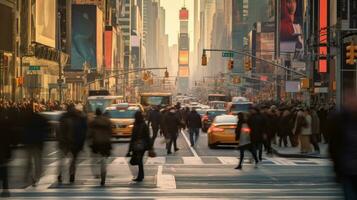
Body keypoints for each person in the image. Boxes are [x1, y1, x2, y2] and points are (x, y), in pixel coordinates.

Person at [57, 104, 87, 183]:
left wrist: (60, 140)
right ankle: (72, 175)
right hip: (74, 142)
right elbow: (81, 131)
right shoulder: (78, 117)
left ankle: (60, 174)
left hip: (64, 142)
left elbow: (59, 130)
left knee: (62, 159)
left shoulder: (63, 118)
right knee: (73, 160)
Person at [23, 103, 49, 186]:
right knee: (37, 160)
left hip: (29, 142)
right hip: (38, 142)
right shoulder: (40, 118)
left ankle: (30, 176)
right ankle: (37, 177)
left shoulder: (26, 119)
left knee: (29, 160)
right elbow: (47, 127)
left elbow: (23, 130)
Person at [88, 108, 112, 186]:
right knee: (104, 160)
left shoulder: (93, 122)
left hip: (96, 142)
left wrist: (89, 141)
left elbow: (90, 133)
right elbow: (110, 132)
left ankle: (97, 174)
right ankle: (103, 177)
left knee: (95, 159)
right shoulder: (107, 121)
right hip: (106, 142)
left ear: (96, 113)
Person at [127, 111, 152, 182]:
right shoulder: (143, 124)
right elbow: (147, 136)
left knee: (139, 160)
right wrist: (150, 147)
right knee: (138, 160)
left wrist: (129, 149)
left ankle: (140, 176)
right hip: (142, 145)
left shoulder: (137, 125)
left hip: (138, 145)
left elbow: (133, 137)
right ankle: (141, 175)